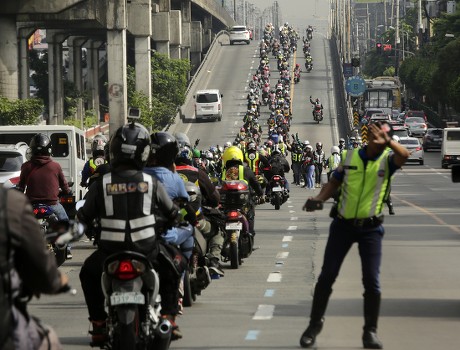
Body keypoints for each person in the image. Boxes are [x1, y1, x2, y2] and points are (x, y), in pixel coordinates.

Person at [299, 122, 410, 349]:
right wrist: (319, 200)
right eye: (377, 136)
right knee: (327, 276)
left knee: (371, 281)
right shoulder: (350, 157)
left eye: (385, 137)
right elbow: (333, 183)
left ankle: (370, 332)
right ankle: (314, 325)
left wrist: (388, 142)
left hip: (371, 229)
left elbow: (405, 155)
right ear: (368, 137)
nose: (380, 140)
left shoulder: (388, 161)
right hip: (342, 226)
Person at [78, 122, 184, 345]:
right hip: (147, 250)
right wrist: (176, 217)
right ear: (144, 153)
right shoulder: (151, 182)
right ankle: (168, 317)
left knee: (87, 273)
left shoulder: (102, 183)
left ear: (114, 151)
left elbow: (83, 217)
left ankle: (98, 325)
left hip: (109, 252)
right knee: (176, 263)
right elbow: (172, 211)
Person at [0, 185, 68, 350]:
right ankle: (67, 246)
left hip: (35, 204)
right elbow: (40, 266)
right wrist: (55, 280)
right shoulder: (11, 203)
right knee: (48, 339)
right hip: (5, 328)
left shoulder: (25, 175)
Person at [17, 133, 71, 222]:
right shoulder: (55, 166)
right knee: (66, 226)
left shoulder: (26, 166)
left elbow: (21, 186)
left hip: (31, 205)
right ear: (49, 149)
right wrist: (67, 191)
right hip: (52, 205)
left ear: (32, 149)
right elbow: (63, 185)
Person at [221, 146, 264, 236]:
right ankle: (250, 233)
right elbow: (256, 184)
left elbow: (215, 185)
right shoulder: (246, 170)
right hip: (244, 203)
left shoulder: (223, 171)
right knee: (250, 215)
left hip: (226, 204)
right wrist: (260, 194)